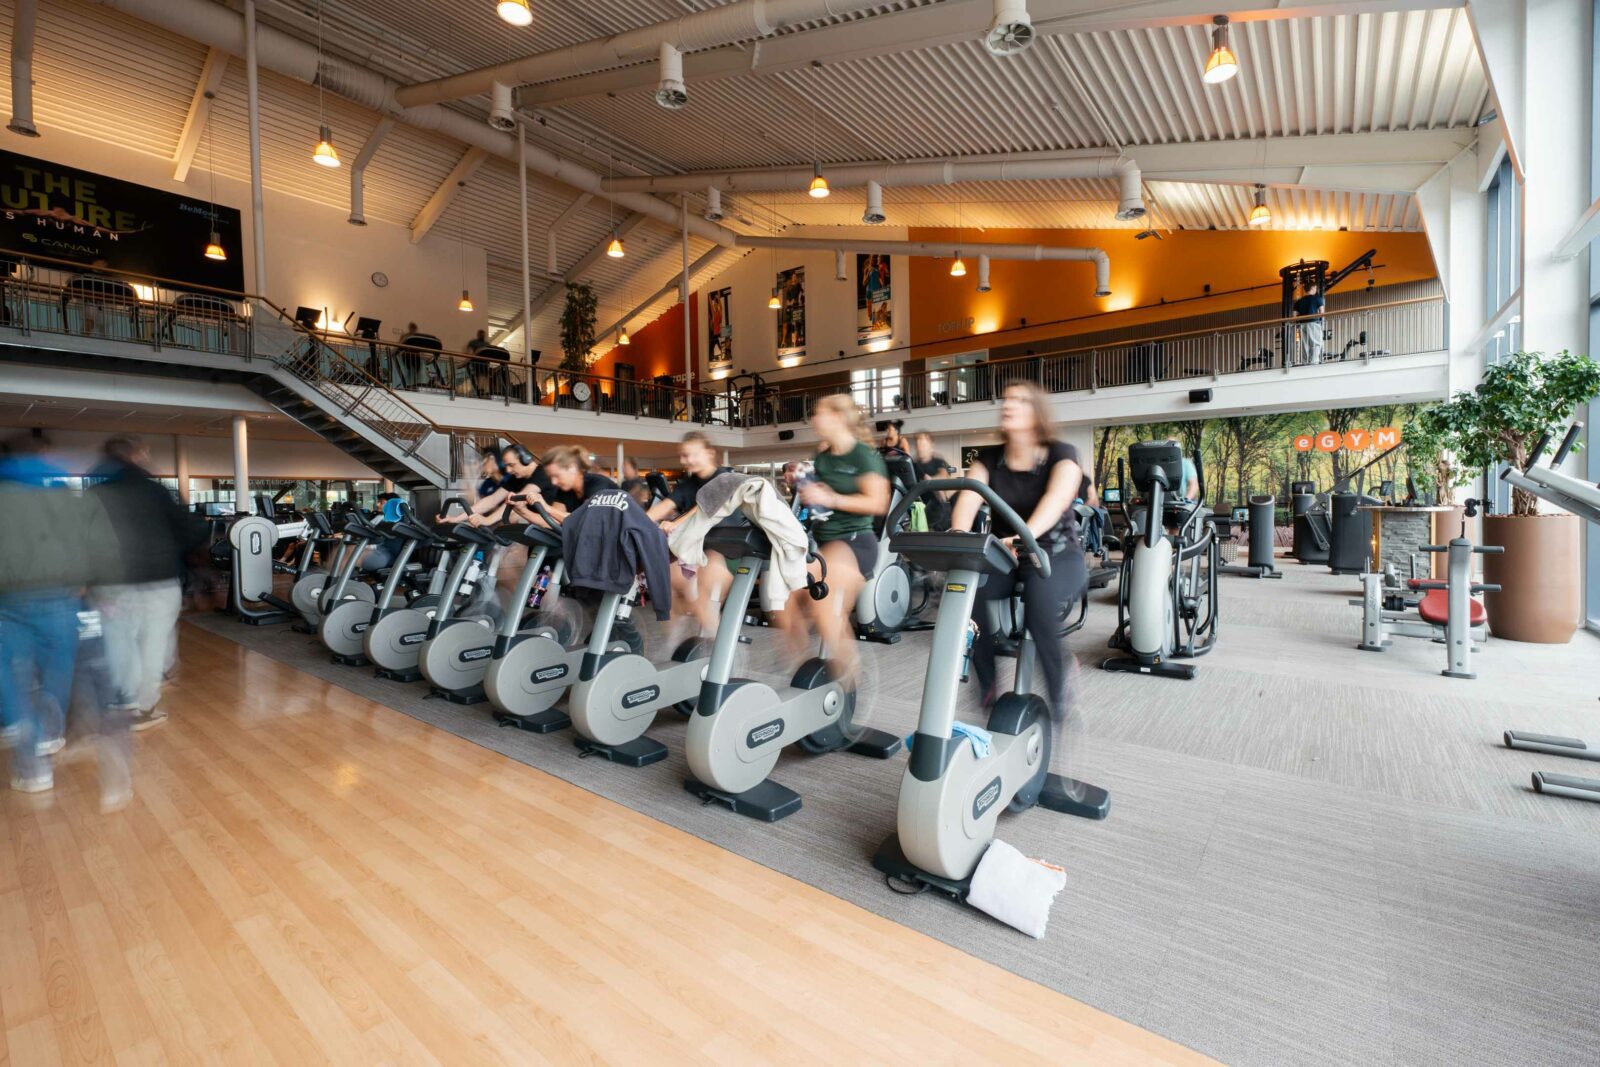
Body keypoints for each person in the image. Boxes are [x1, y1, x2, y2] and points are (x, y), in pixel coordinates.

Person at [949, 383, 1085, 720]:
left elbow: (1056, 499)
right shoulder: (989, 459)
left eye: (1020, 400)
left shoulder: (1062, 454)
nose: (1008, 404)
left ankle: (1059, 691)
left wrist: (1025, 536)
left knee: (1038, 604)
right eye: (1007, 399)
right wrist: (958, 534)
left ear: (1037, 412)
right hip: (1006, 556)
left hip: (1057, 554)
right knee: (967, 592)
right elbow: (969, 496)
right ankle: (988, 688)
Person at [88, 436, 208, 733]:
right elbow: (189, 530)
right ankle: (143, 707)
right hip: (160, 578)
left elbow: (84, 541)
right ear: (135, 456)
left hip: (113, 582)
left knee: (120, 642)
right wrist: (176, 552)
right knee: (153, 644)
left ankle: (124, 700)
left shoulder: (96, 493)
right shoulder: (156, 491)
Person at [777, 395, 890, 682]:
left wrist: (832, 498)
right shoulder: (824, 457)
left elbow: (878, 503)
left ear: (839, 417)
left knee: (826, 610)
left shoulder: (862, 455)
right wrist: (812, 493)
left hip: (855, 543)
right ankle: (805, 676)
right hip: (826, 547)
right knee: (785, 603)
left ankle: (849, 683)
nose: (814, 419)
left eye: (820, 413)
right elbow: (823, 498)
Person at [649, 432, 733, 639]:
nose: (685, 460)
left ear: (709, 453)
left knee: (704, 598)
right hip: (698, 549)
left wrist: (675, 523)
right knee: (666, 587)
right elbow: (663, 508)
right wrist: (632, 522)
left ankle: (719, 647)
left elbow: (704, 507)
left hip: (729, 550)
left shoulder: (725, 478)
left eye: (691, 455)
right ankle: (676, 641)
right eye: (684, 455)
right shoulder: (688, 484)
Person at [911, 432, 955, 531]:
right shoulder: (913, 465)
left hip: (937, 510)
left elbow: (943, 475)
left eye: (923, 445)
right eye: (918, 445)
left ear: (931, 445)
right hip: (919, 509)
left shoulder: (938, 462)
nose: (920, 448)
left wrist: (931, 480)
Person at [1294, 281, 1325, 365]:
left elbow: (1294, 316)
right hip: (1313, 323)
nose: (1316, 290)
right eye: (1315, 288)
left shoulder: (1299, 301)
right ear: (1312, 288)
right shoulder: (1318, 299)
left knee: (1304, 345)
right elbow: (1322, 313)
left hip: (1301, 324)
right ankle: (1313, 363)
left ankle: (1305, 363)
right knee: (1316, 343)